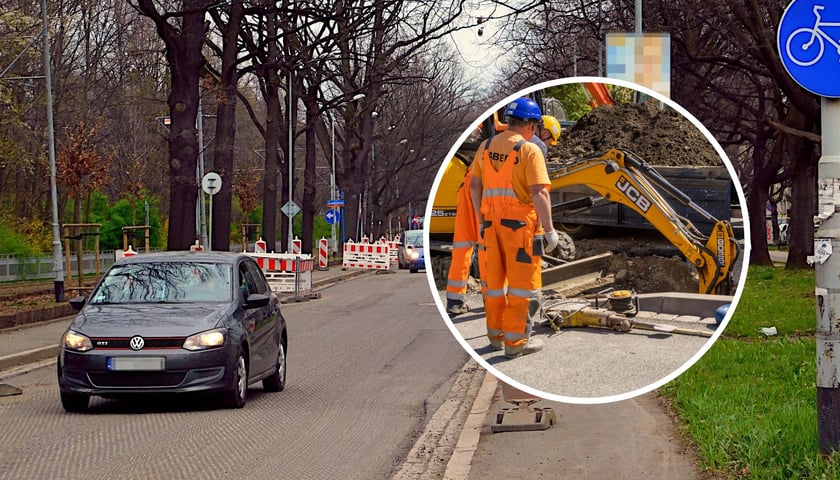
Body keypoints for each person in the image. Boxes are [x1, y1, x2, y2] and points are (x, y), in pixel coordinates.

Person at [469, 97, 561, 359]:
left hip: (489, 226)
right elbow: (539, 192)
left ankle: (496, 337)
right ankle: (516, 342)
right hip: (520, 228)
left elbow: (475, 187)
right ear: (531, 124)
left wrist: (480, 219)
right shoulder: (529, 150)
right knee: (523, 287)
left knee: (494, 285)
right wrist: (550, 229)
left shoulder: (485, 147)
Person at [444, 116, 562, 318]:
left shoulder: (492, 143)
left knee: (463, 245)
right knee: (486, 248)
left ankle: (455, 301)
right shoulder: (534, 145)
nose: (548, 144)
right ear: (541, 129)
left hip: (470, 191)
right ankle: (490, 300)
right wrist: (547, 228)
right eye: (550, 140)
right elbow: (537, 191)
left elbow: (476, 182)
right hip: (494, 202)